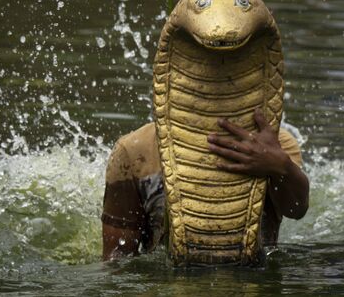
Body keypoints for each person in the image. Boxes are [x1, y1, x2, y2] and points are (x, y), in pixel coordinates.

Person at [101, 109, 309, 260]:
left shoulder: (274, 143)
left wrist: (281, 166)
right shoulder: (134, 149)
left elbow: (296, 209)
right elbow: (117, 259)